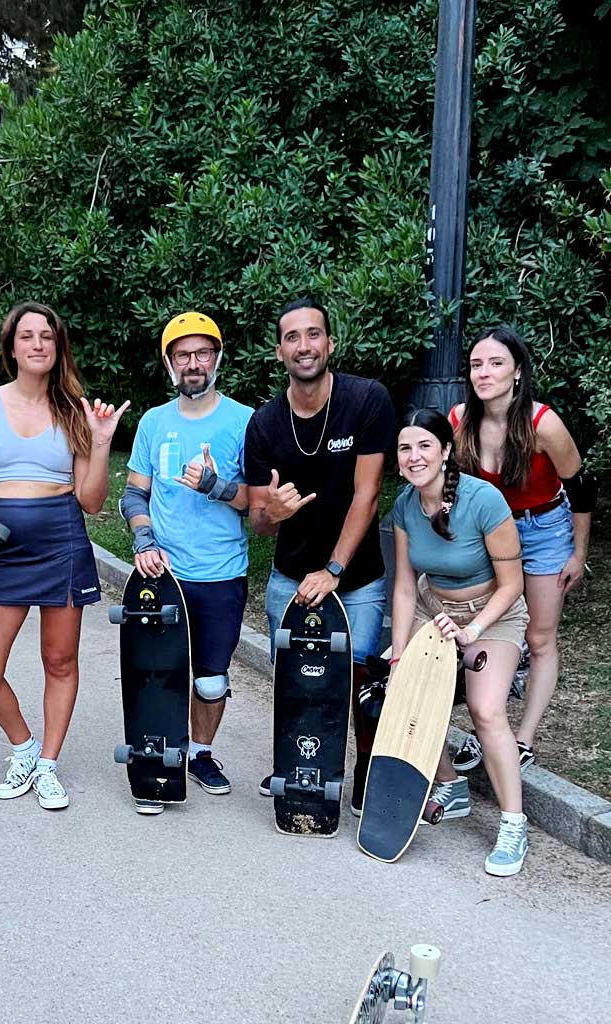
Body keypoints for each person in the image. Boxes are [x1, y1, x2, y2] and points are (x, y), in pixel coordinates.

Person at [0, 301, 128, 811]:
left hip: (61, 539)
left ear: (58, 346)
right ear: (12, 346)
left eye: (46, 336)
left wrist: (99, 445)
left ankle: (48, 764)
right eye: (27, 336)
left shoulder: (74, 408)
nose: (37, 344)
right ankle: (23, 747)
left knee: (59, 659)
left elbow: (91, 501)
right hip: (0, 546)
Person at [244, 297, 394, 813]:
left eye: (313, 335)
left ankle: (364, 775)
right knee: (295, 681)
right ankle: (297, 767)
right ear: (279, 350)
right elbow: (258, 522)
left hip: (357, 578)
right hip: (289, 576)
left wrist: (334, 569)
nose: (304, 346)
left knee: (357, 684)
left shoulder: (366, 399)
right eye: (292, 337)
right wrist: (275, 514)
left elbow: (367, 495)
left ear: (329, 343)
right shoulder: (264, 423)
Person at [448, 325, 596, 774]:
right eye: (477, 364)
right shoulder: (460, 422)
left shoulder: (541, 422)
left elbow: (580, 486)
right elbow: (453, 485)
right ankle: (488, 728)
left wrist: (577, 553)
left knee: (539, 636)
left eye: (496, 363)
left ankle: (523, 738)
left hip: (544, 528)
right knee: (490, 629)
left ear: (516, 371)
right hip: (491, 532)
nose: (485, 372)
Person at [121, 311, 252, 812]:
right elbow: (134, 496)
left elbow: (255, 504)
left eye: (203, 353)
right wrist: (144, 543)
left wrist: (215, 486)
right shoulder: (154, 422)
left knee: (211, 678)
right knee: (158, 672)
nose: (193, 363)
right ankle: (159, 760)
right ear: (169, 363)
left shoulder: (243, 420)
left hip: (221, 572)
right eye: (183, 355)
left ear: (217, 359)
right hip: (163, 572)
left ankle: (200, 753)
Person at [390, 409, 530, 876]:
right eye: (406, 448)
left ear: (446, 450)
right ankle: (451, 785)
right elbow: (407, 586)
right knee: (406, 693)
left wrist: (472, 632)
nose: (415, 457)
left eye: (425, 446)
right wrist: (398, 656)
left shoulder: (483, 500)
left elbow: (513, 584)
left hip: (495, 614)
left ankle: (514, 824)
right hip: (436, 609)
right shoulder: (405, 505)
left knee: (486, 710)